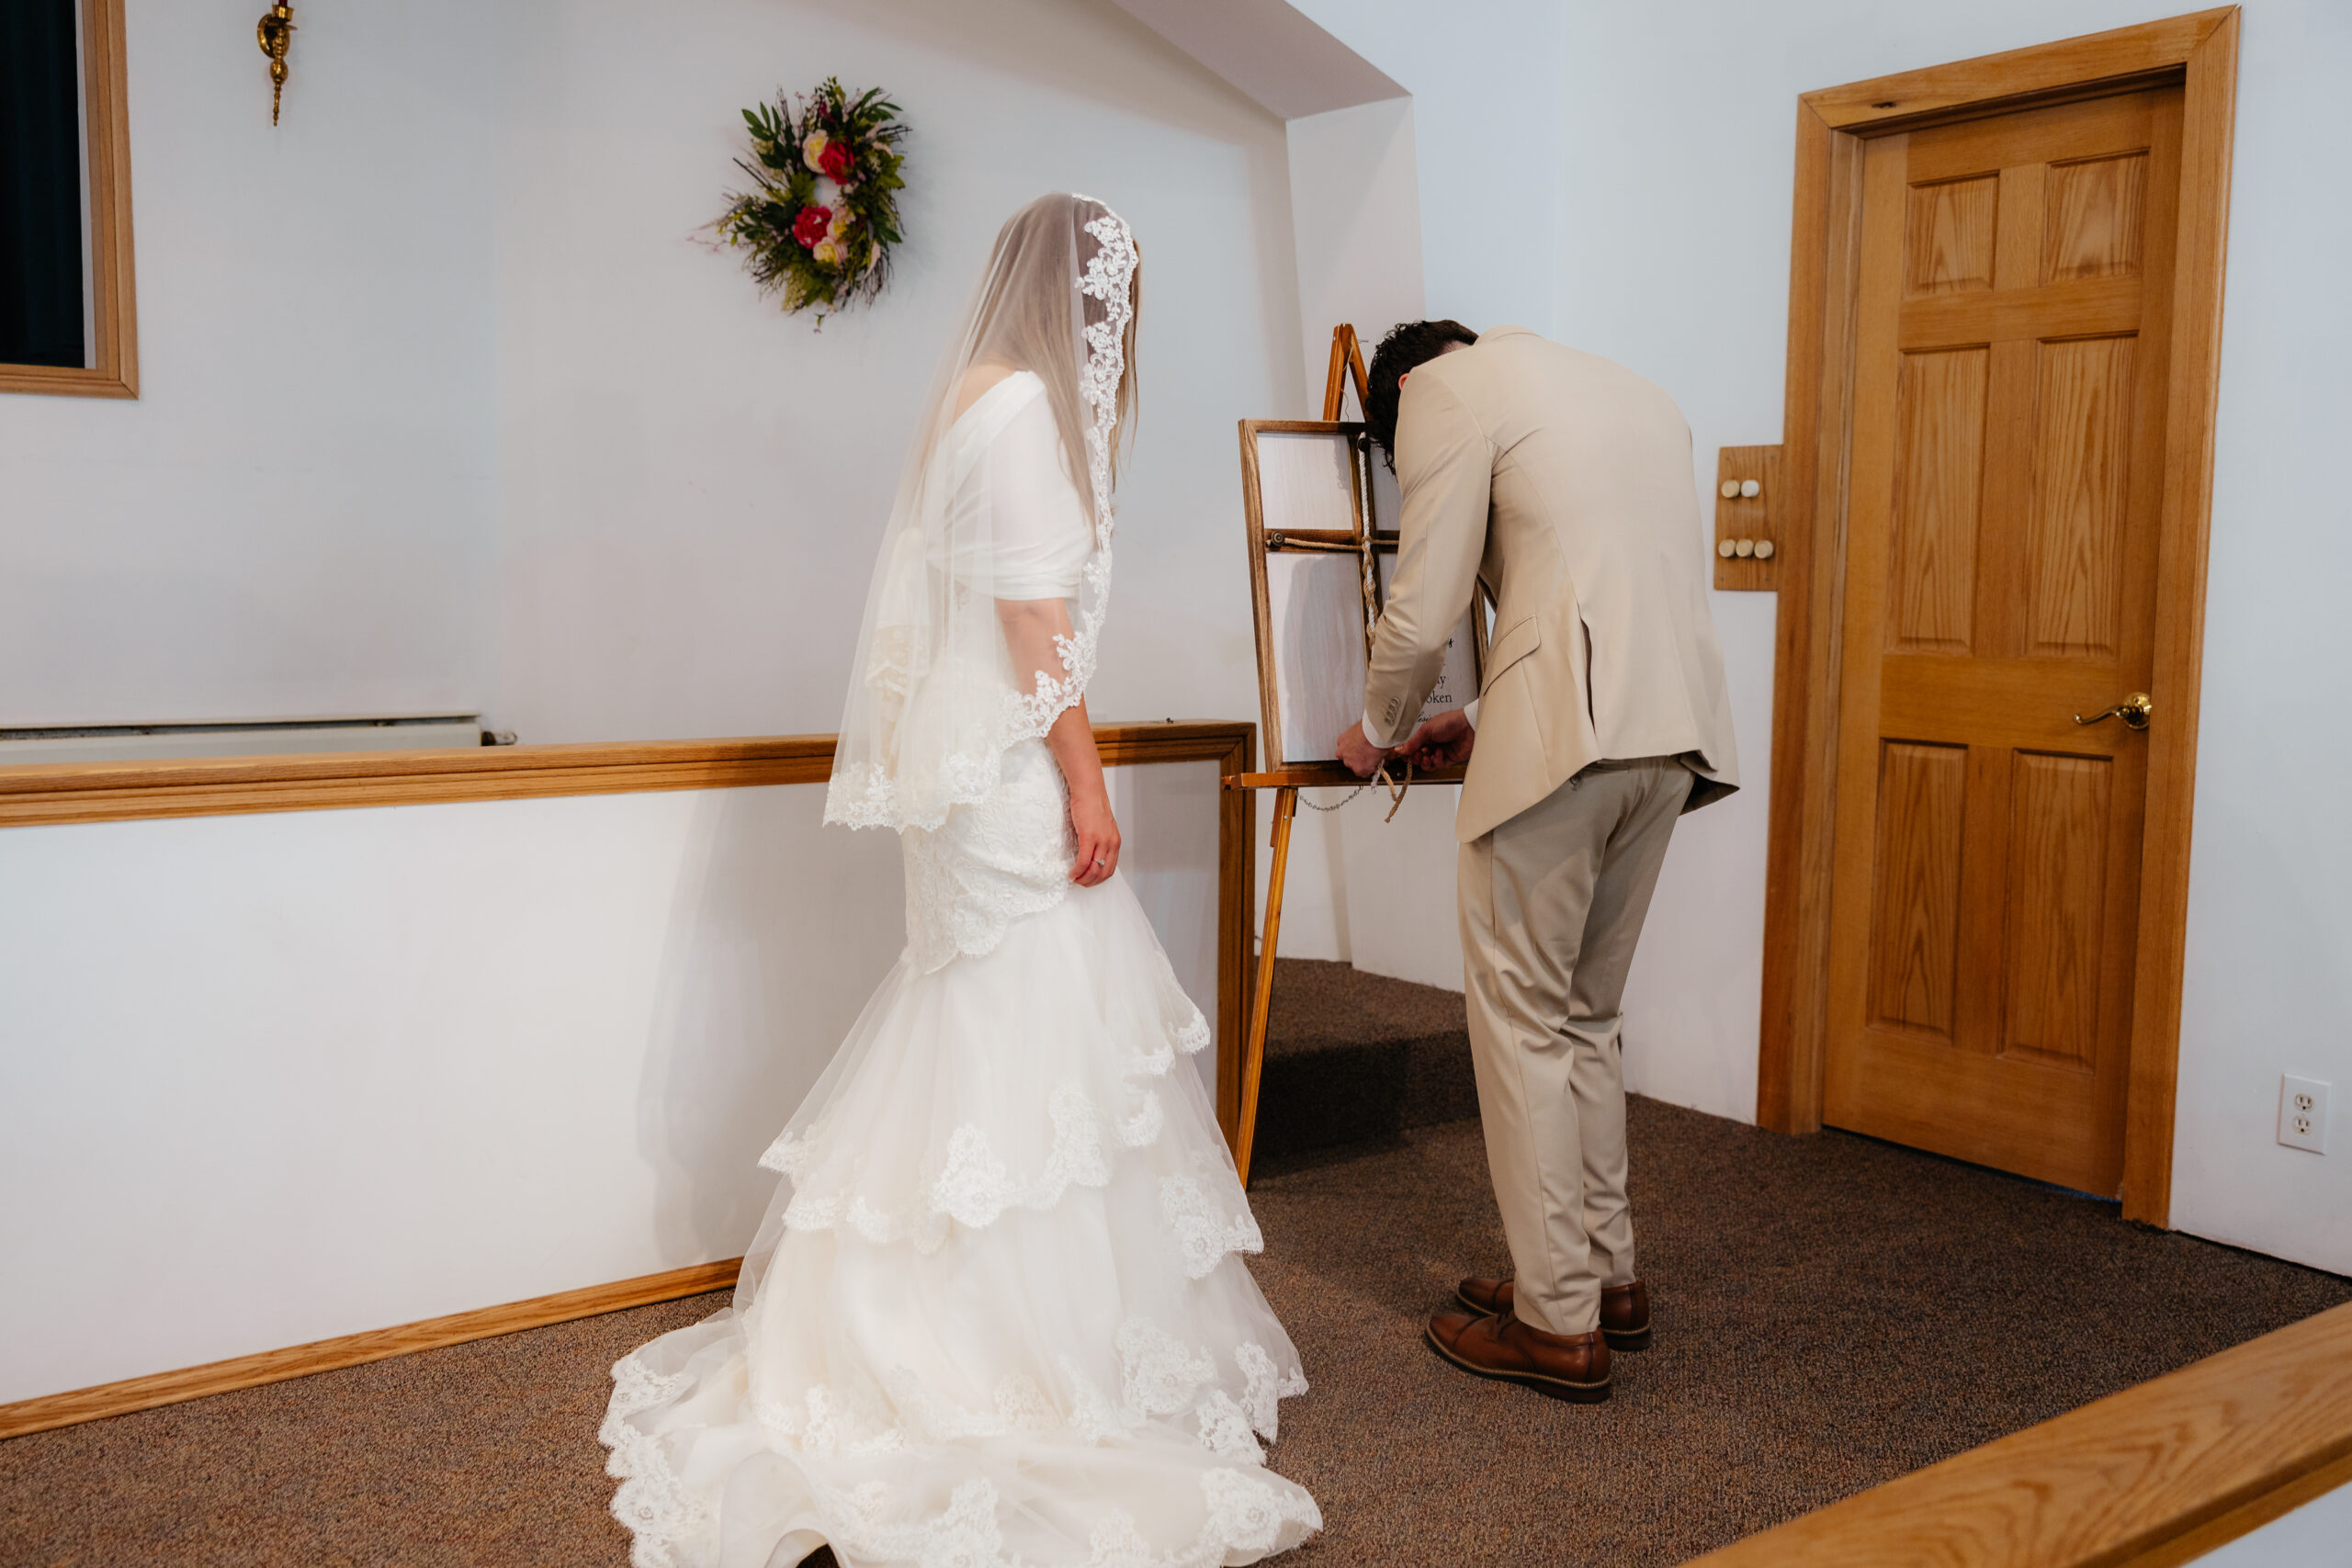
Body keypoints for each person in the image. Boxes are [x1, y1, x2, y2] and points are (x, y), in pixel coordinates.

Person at [600, 195, 1321, 1568]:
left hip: (958, 756)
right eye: (1115, 306)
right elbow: (1033, 619)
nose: (1118, 334)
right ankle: (1010, 1346)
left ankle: (928, 1315)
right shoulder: (1028, 415)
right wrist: (1092, 779)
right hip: (1006, 762)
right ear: (1083, 301)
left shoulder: (969, 402)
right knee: (1036, 1022)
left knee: (977, 1017)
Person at [1335, 320, 1738, 1404]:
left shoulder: (1444, 391)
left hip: (1567, 741)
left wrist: (1377, 726)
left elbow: (1421, 610)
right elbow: (1586, 578)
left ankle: (1553, 1322)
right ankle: (1604, 1280)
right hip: (1670, 734)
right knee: (1585, 1017)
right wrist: (1484, 716)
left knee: (1517, 1019)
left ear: (1406, 387)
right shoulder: (1635, 388)